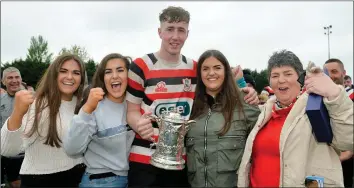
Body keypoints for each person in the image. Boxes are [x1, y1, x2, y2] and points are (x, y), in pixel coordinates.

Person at [126, 6, 259, 187]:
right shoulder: (140, 66)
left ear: (187, 34)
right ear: (159, 32)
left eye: (181, 30)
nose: (175, 36)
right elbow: (131, 111)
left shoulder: (195, 69)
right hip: (145, 159)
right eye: (169, 29)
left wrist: (246, 90)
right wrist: (139, 124)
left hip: (181, 161)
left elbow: (220, 86)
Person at [238, 50, 353, 187]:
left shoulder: (319, 107)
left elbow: (348, 141)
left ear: (301, 78)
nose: (281, 80)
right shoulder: (263, 113)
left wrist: (335, 94)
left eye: (288, 74)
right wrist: (240, 83)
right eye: (275, 75)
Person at [1, 53, 87, 187]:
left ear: (81, 78)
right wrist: (17, 113)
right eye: (63, 71)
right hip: (41, 180)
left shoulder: (82, 105)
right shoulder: (38, 104)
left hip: (77, 177)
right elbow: (8, 149)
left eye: (76, 73)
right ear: (53, 74)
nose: (69, 77)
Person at [186, 50, 260, 187]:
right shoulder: (190, 107)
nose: (211, 73)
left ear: (226, 71)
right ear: (199, 74)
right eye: (205, 69)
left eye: (217, 68)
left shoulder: (245, 103)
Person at [63, 53, 135, 188]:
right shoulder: (95, 107)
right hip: (101, 181)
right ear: (103, 77)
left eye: (120, 70)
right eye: (108, 72)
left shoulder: (135, 105)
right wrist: (87, 109)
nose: (114, 76)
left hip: (134, 178)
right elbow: (72, 149)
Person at [324, 58, 354, 187]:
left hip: (346, 162)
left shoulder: (351, 97)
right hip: (324, 161)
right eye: (326, 72)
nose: (330, 76)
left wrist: (348, 152)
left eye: (334, 71)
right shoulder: (317, 98)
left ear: (343, 73)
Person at [1, 67, 24, 188]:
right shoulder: (1, 101)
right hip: (4, 154)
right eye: (10, 78)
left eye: (17, 77)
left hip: (24, 154)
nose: (14, 80)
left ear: (21, 79)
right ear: (3, 81)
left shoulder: (31, 99)